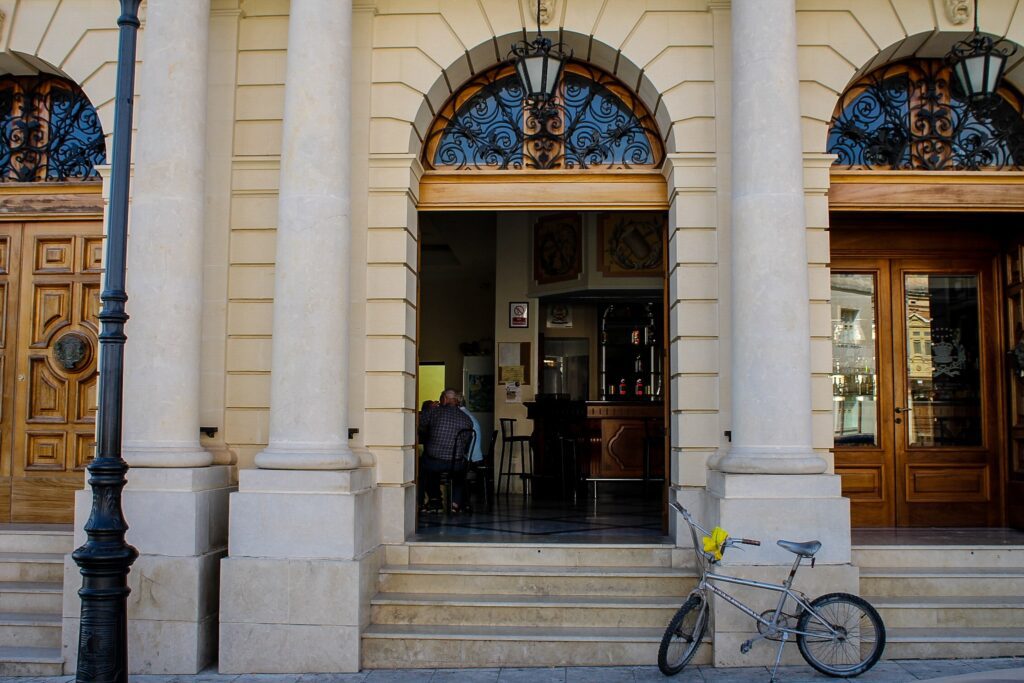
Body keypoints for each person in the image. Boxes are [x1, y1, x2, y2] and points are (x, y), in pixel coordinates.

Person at [418, 388, 473, 512]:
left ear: (444, 399)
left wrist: (428, 409)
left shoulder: (435, 412)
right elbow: (466, 442)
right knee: (460, 471)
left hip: (434, 461)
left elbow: (419, 422)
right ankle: (456, 503)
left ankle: (433, 501)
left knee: (424, 467)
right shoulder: (466, 419)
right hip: (456, 463)